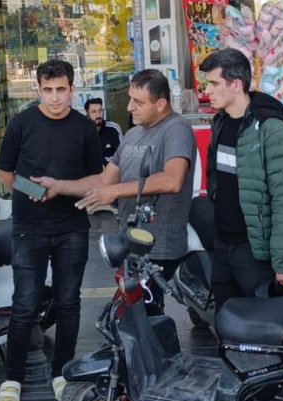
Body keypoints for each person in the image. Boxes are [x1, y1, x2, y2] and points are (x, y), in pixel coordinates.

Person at [35, 69, 197, 317]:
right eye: (131, 99)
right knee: (131, 314)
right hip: (130, 242)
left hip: (158, 245)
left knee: (139, 315)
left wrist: (115, 191)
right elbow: (103, 180)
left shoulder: (176, 129)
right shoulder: (133, 134)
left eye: (139, 102)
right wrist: (59, 186)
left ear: (162, 104)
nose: (130, 107)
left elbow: (173, 180)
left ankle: (155, 356)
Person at [0, 59, 104, 401]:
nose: (55, 98)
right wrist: (36, 190)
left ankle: (63, 372)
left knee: (69, 302)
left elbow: (96, 179)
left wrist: (60, 189)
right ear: (38, 89)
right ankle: (12, 378)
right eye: (48, 90)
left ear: (73, 89)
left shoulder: (86, 128)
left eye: (61, 90)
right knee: (24, 304)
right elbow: (5, 172)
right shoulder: (22, 123)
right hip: (29, 228)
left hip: (71, 226)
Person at [198, 48, 283, 318]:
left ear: (236, 85)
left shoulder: (271, 128)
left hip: (255, 252)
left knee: (262, 329)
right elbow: (217, 178)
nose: (208, 89)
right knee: (227, 325)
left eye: (214, 83)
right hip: (223, 247)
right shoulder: (219, 122)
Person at [84, 97, 123, 162]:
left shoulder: (114, 128)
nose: (98, 115)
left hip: (111, 170)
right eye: (94, 112)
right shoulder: (83, 131)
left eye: (100, 111)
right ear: (88, 115)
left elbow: (123, 154)